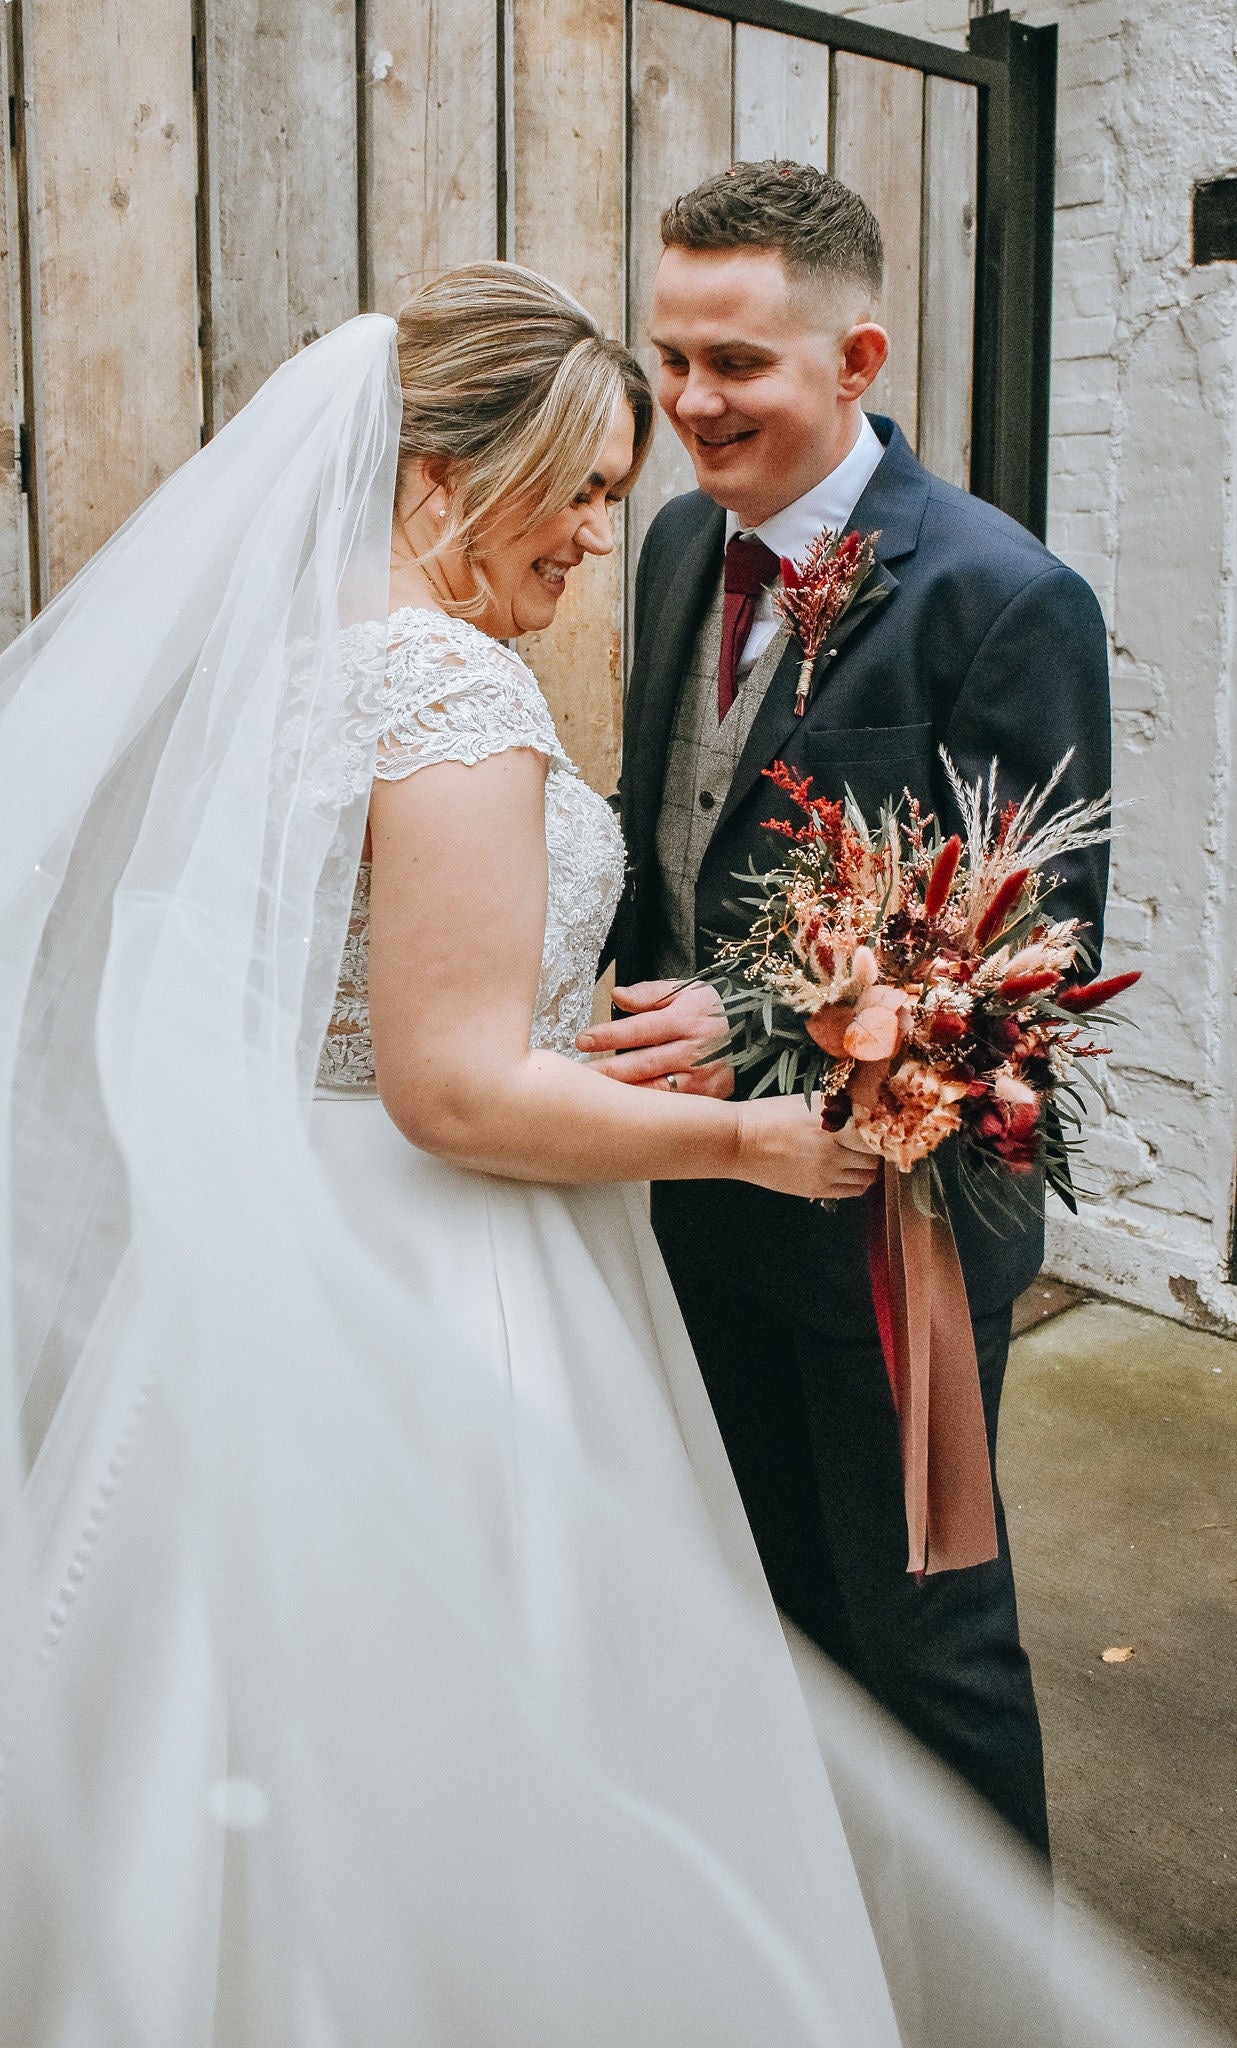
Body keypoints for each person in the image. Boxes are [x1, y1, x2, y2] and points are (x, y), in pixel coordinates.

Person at [0, 264, 1203, 2048]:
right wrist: (750, 1134)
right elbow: (451, 1088)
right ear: (444, 470)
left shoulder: (300, 654)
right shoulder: (450, 694)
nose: (600, 529)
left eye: (609, 487)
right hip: (444, 1254)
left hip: (303, 1227)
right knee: (495, 1678)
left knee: (236, 1679)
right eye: (574, 486)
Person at [582, 161, 1113, 1858]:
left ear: (856, 358)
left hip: (897, 1225)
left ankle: (987, 1985)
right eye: (671, 356)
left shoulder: (1001, 598)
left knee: (924, 1644)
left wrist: (744, 1018)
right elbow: (674, 826)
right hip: (701, 1194)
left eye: (735, 362)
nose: (688, 402)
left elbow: (1025, 956)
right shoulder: (682, 542)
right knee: (766, 1609)